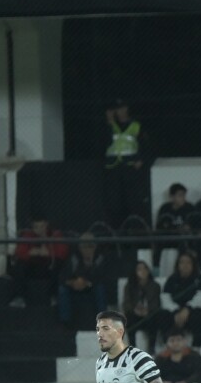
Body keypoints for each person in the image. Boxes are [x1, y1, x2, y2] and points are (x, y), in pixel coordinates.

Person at [2, 216, 70, 309]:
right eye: (36, 227)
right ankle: (20, 297)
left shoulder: (55, 234)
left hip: (48, 267)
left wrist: (49, 253)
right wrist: (30, 253)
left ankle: (54, 296)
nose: (39, 229)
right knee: (19, 265)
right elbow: (19, 252)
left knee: (59, 264)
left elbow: (63, 252)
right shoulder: (28, 235)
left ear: (47, 225)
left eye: (42, 226)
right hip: (33, 266)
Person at [102, 99, 149, 228]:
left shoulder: (136, 126)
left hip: (130, 166)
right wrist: (109, 123)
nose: (120, 112)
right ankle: (116, 230)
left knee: (133, 200)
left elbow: (145, 145)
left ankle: (134, 229)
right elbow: (104, 143)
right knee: (114, 202)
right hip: (113, 167)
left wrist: (141, 160)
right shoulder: (110, 126)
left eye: (122, 108)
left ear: (127, 109)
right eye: (117, 109)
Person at [58, 232, 113, 329]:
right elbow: (63, 277)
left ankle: (103, 320)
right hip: (75, 285)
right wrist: (73, 282)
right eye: (84, 247)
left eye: (90, 246)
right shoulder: (74, 257)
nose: (87, 250)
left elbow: (103, 277)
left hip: (92, 286)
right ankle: (65, 322)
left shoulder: (100, 258)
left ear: (95, 247)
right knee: (62, 290)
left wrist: (87, 283)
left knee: (100, 289)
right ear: (79, 248)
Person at [160, 251, 201, 349]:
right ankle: (167, 346)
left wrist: (187, 309)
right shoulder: (171, 280)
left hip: (193, 312)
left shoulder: (199, 280)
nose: (185, 265)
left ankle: (196, 348)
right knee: (163, 316)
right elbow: (165, 298)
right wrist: (176, 311)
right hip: (175, 313)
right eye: (182, 262)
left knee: (198, 317)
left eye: (188, 262)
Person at [122, 260, 166, 353]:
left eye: (145, 269)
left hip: (149, 314)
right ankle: (132, 348)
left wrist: (148, 310)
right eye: (139, 269)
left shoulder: (155, 286)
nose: (143, 271)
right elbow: (126, 303)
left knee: (155, 318)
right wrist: (135, 310)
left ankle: (151, 348)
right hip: (135, 315)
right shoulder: (129, 286)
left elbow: (156, 303)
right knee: (129, 318)